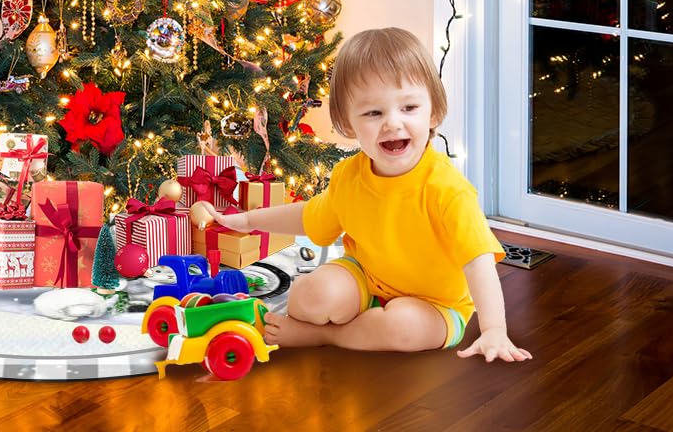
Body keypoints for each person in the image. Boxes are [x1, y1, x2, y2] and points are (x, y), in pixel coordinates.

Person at [206, 27, 531, 363]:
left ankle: (322, 336)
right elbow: (308, 216)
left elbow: (478, 262)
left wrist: (494, 329)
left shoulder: (447, 190)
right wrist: (247, 220)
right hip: (366, 278)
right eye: (373, 113)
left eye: (409, 108)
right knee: (309, 297)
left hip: (436, 306)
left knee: (402, 327)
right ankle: (336, 322)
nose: (392, 123)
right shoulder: (350, 176)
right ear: (348, 124)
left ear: (432, 112)